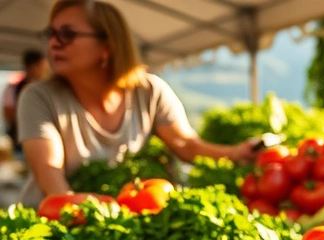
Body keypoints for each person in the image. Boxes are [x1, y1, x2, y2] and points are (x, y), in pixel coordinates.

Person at [17, 0, 258, 207]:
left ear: (107, 46)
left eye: (67, 34)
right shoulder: (38, 97)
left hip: (119, 221)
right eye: (51, 34)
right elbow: (50, 174)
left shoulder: (149, 92)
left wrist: (237, 153)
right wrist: (84, 209)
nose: (53, 43)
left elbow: (186, 144)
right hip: (53, 224)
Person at [3, 50, 49, 154]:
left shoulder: (48, 89)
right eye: (42, 66)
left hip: (44, 139)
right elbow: (8, 114)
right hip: (20, 140)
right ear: (33, 66)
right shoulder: (14, 88)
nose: (45, 70)